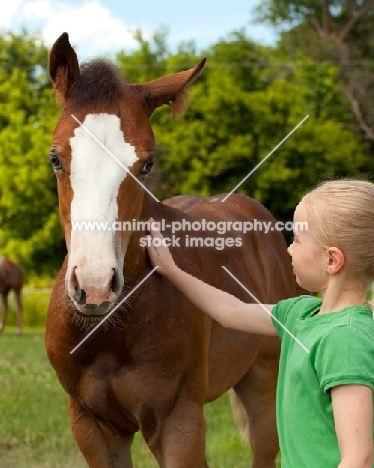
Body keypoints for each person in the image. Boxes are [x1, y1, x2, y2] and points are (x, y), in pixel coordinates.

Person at [145, 178, 374, 468]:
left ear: (332, 260)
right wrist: (173, 271)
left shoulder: (346, 340)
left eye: (297, 240)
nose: (289, 249)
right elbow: (231, 310)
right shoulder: (300, 313)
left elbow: (358, 458)